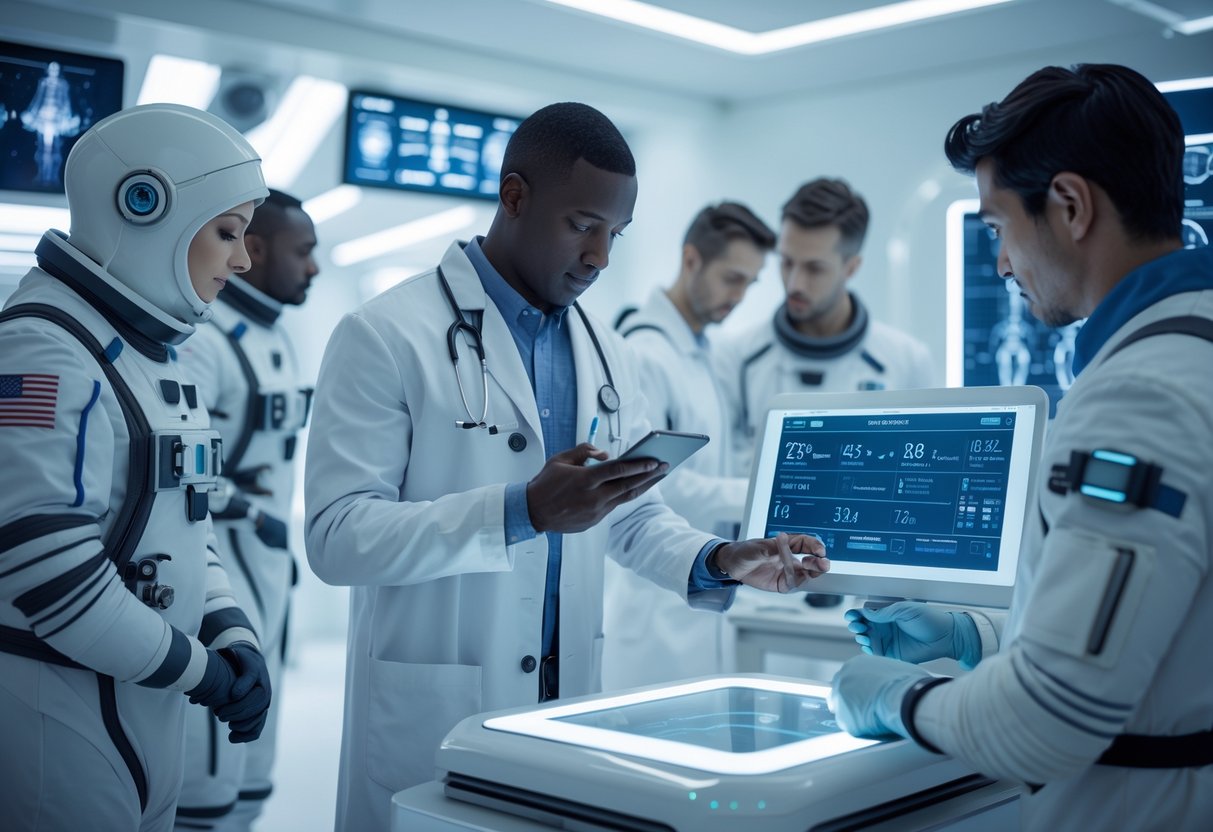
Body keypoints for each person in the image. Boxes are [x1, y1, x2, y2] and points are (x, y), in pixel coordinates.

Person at [304, 101, 832, 832]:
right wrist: (521, 511)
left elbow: (631, 513)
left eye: (614, 233)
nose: (600, 257)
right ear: (514, 197)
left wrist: (718, 558)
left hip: (565, 709)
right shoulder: (385, 335)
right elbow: (336, 537)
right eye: (583, 225)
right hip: (435, 713)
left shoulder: (605, 351)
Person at [830, 64, 1213, 829]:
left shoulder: (1141, 396)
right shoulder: (1188, 349)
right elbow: (1162, 626)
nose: (1001, 262)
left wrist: (890, 698)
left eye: (999, 227)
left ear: (1069, 206)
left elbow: (1044, 723)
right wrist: (973, 637)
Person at [0, 104, 273, 832]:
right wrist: (203, 672)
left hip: (143, 698)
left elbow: (185, 524)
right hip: (58, 711)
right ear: (144, 207)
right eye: (226, 231)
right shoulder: (45, 348)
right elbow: (49, 577)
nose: (242, 260)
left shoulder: (149, 355)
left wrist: (229, 632)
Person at [174, 190, 320, 830]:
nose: (313, 268)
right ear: (255, 250)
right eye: (305, 252)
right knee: (208, 771)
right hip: (217, 565)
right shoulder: (201, 338)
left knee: (253, 771)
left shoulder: (276, 336)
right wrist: (250, 511)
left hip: (266, 569)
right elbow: (178, 464)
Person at [602, 201, 775, 690]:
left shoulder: (705, 356)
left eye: (749, 283)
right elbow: (650, 489)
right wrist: (760, 493)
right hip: (654, 615)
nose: (739, 296)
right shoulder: (645, 354)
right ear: (692, 259)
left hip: (703, 602)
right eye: (731, 278)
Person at [718, 178, 936, 478]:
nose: (794, 283)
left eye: (814, 268)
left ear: (852, 267)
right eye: (787, 262)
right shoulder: (735, 356)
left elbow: (916, 478)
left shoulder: (908, 361)